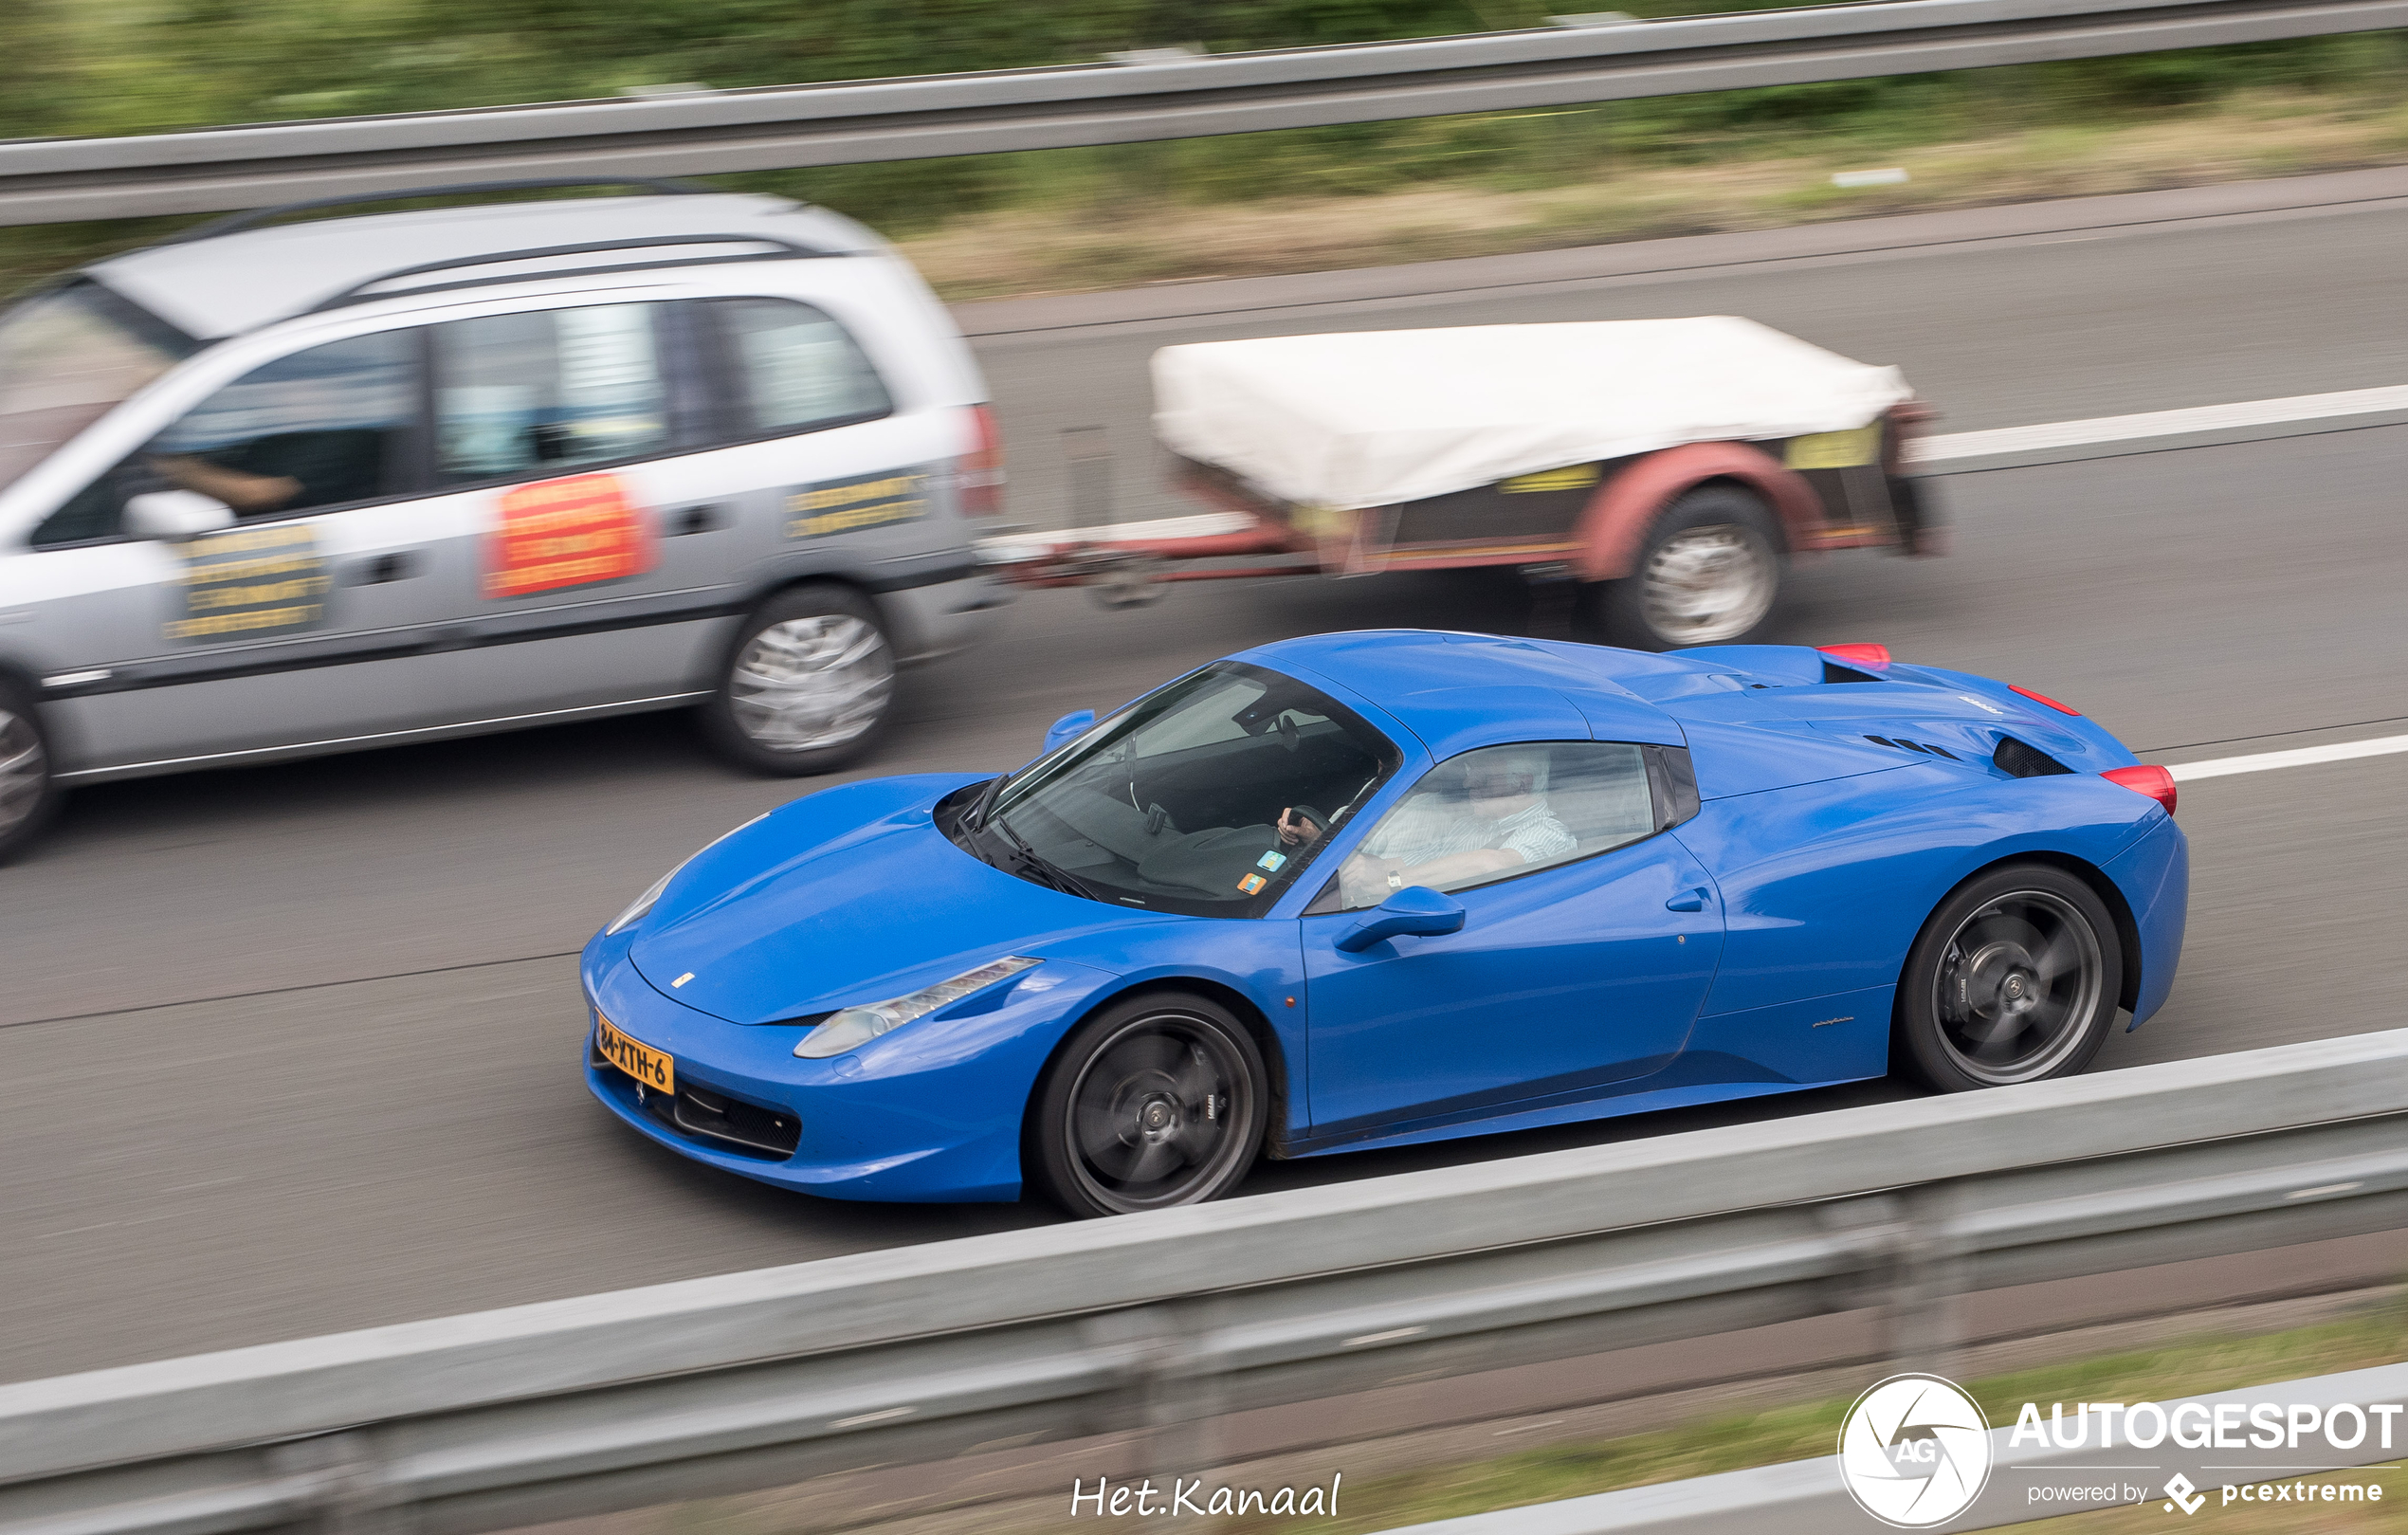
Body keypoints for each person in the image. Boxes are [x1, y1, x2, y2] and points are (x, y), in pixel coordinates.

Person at [1340, 749, 1576, 905]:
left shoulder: (1550, 834)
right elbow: (1423, 859)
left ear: (1523, 785)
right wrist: (1364, 867)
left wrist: (1392, 881)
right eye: (1469, 773)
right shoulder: (1470, 825)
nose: (1468, 783)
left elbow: (1489, 864)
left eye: (1483, 778)